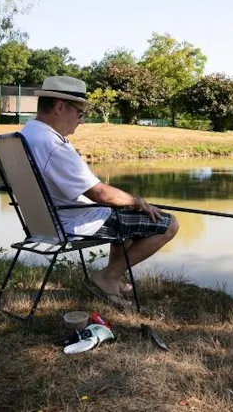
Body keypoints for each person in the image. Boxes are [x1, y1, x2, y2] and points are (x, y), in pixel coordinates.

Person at [20, 76, 179, 308]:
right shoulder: (53, 145)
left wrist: (127, 203)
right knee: (169, 224)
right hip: (72, 222)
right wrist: (138, 201)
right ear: (60, 106)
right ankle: (107, 277)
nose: (81, 121)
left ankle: (112, 279)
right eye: (79, 113)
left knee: (123, 213)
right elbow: (101, 194)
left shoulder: (27, 134)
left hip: (44, 221)